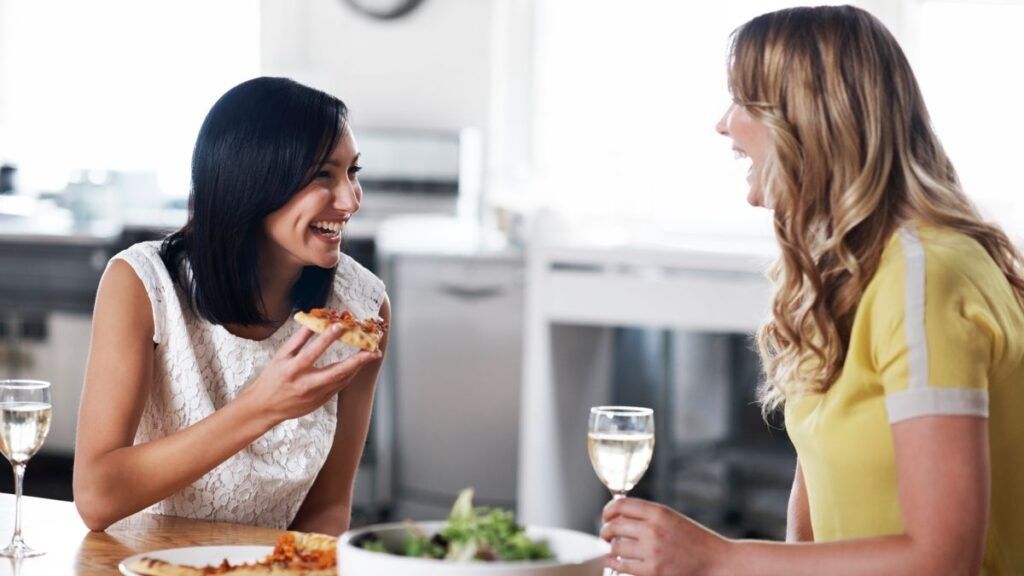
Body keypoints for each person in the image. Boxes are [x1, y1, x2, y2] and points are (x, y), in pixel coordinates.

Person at [601, 6, 1024, 575]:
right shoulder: (849, 275)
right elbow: (811, 534)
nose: (724, 124)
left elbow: (944, 560)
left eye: (744, 102)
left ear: (807, 121)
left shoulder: (923, 280)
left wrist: (717, 558)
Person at [73, 77, 388, 535]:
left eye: (352, 172)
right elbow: (97, 498)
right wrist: (262, 407)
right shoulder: (142, 285)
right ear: (254, 182)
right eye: (325, 174)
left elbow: (328, 510)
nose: (351, 200)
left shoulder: (363, 309)